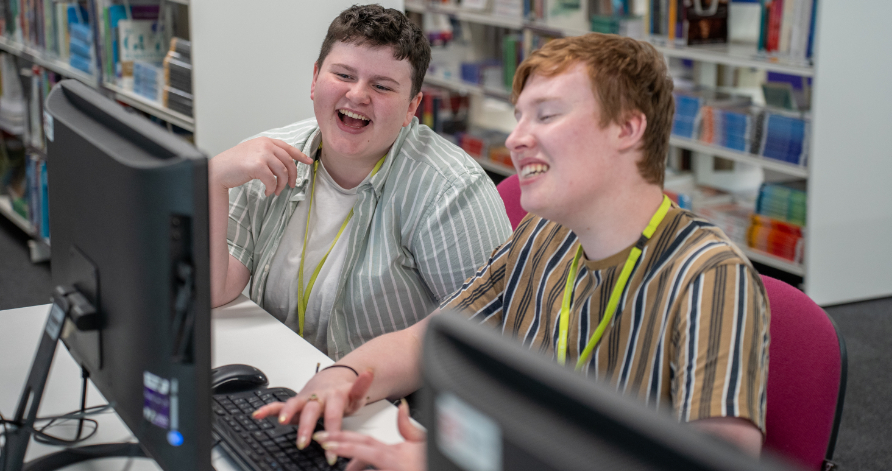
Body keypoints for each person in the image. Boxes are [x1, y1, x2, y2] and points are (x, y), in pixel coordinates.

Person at [254, 33, 771, 468]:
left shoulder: (707, 276)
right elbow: (431, 338)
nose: (517, 138)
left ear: (627, 128)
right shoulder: (543, 236)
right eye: (519, 117)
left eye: (546, 116)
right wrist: (342, 378)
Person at [208, 4, 512, 359]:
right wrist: (212, 180)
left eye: (382, 86)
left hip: (387, 400)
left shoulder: (450, 189)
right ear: (315, 79)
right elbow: (217, 290)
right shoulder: (270, 158)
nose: (357, 95)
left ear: (411, 107)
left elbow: (488, 334)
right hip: (280, 370)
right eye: (344, 75)